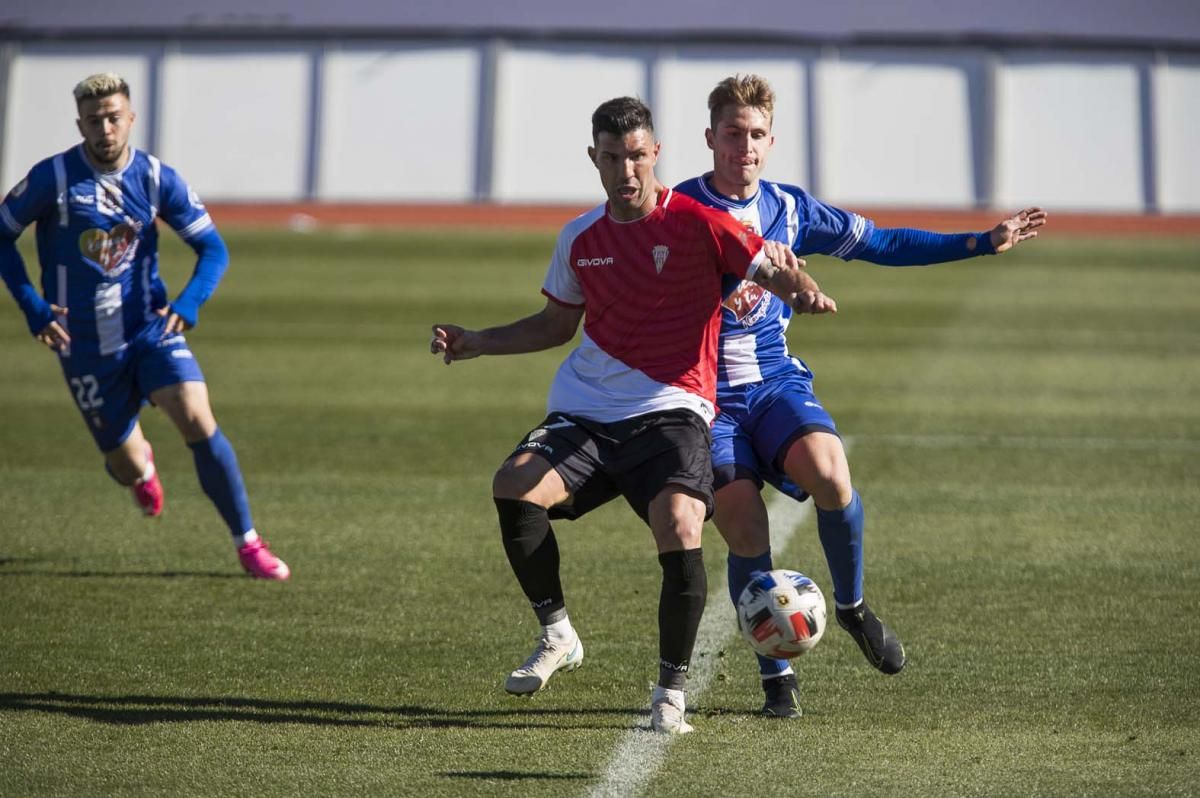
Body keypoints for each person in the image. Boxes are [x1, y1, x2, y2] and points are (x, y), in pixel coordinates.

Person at [431, 96, 835, 734]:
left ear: (657, 155)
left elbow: (769, 268)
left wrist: (805, 291)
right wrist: (478, 340)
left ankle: (669, 694)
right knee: (513, 487)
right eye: (613, 157)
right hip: (587, 411)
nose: (627, 170)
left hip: (672, 409)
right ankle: (558, 633)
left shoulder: (700, 223)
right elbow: (557, 323)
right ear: (595, 158)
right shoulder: (580, 238)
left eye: (638, 156)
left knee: (680, 522)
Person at [674, 74, 1046, 718]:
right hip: (708, 397)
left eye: (757, 134)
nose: (745, 146)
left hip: (774, 383)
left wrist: (981, 242)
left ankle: (850, 608)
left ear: (772, 140)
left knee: (831, 473)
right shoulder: (678, 210)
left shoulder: (790, 208)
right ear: (710, 138)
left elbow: (882, 243)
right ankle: (777, 677)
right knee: (743, 523)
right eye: (732, 133)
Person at [0, 73, 289, 580]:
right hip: (85, 344)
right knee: (125, 465)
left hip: (149, 329)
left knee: (198, 418)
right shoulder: (54, 178)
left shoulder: (156, 178)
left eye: (114, 117)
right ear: (80, 124)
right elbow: (2, 236)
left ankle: (248, 543)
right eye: (94, 120)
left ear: (130, 118)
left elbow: (212, 248)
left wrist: (190, 301)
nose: (105, 129)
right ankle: (142, 471)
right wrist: (33, 306)